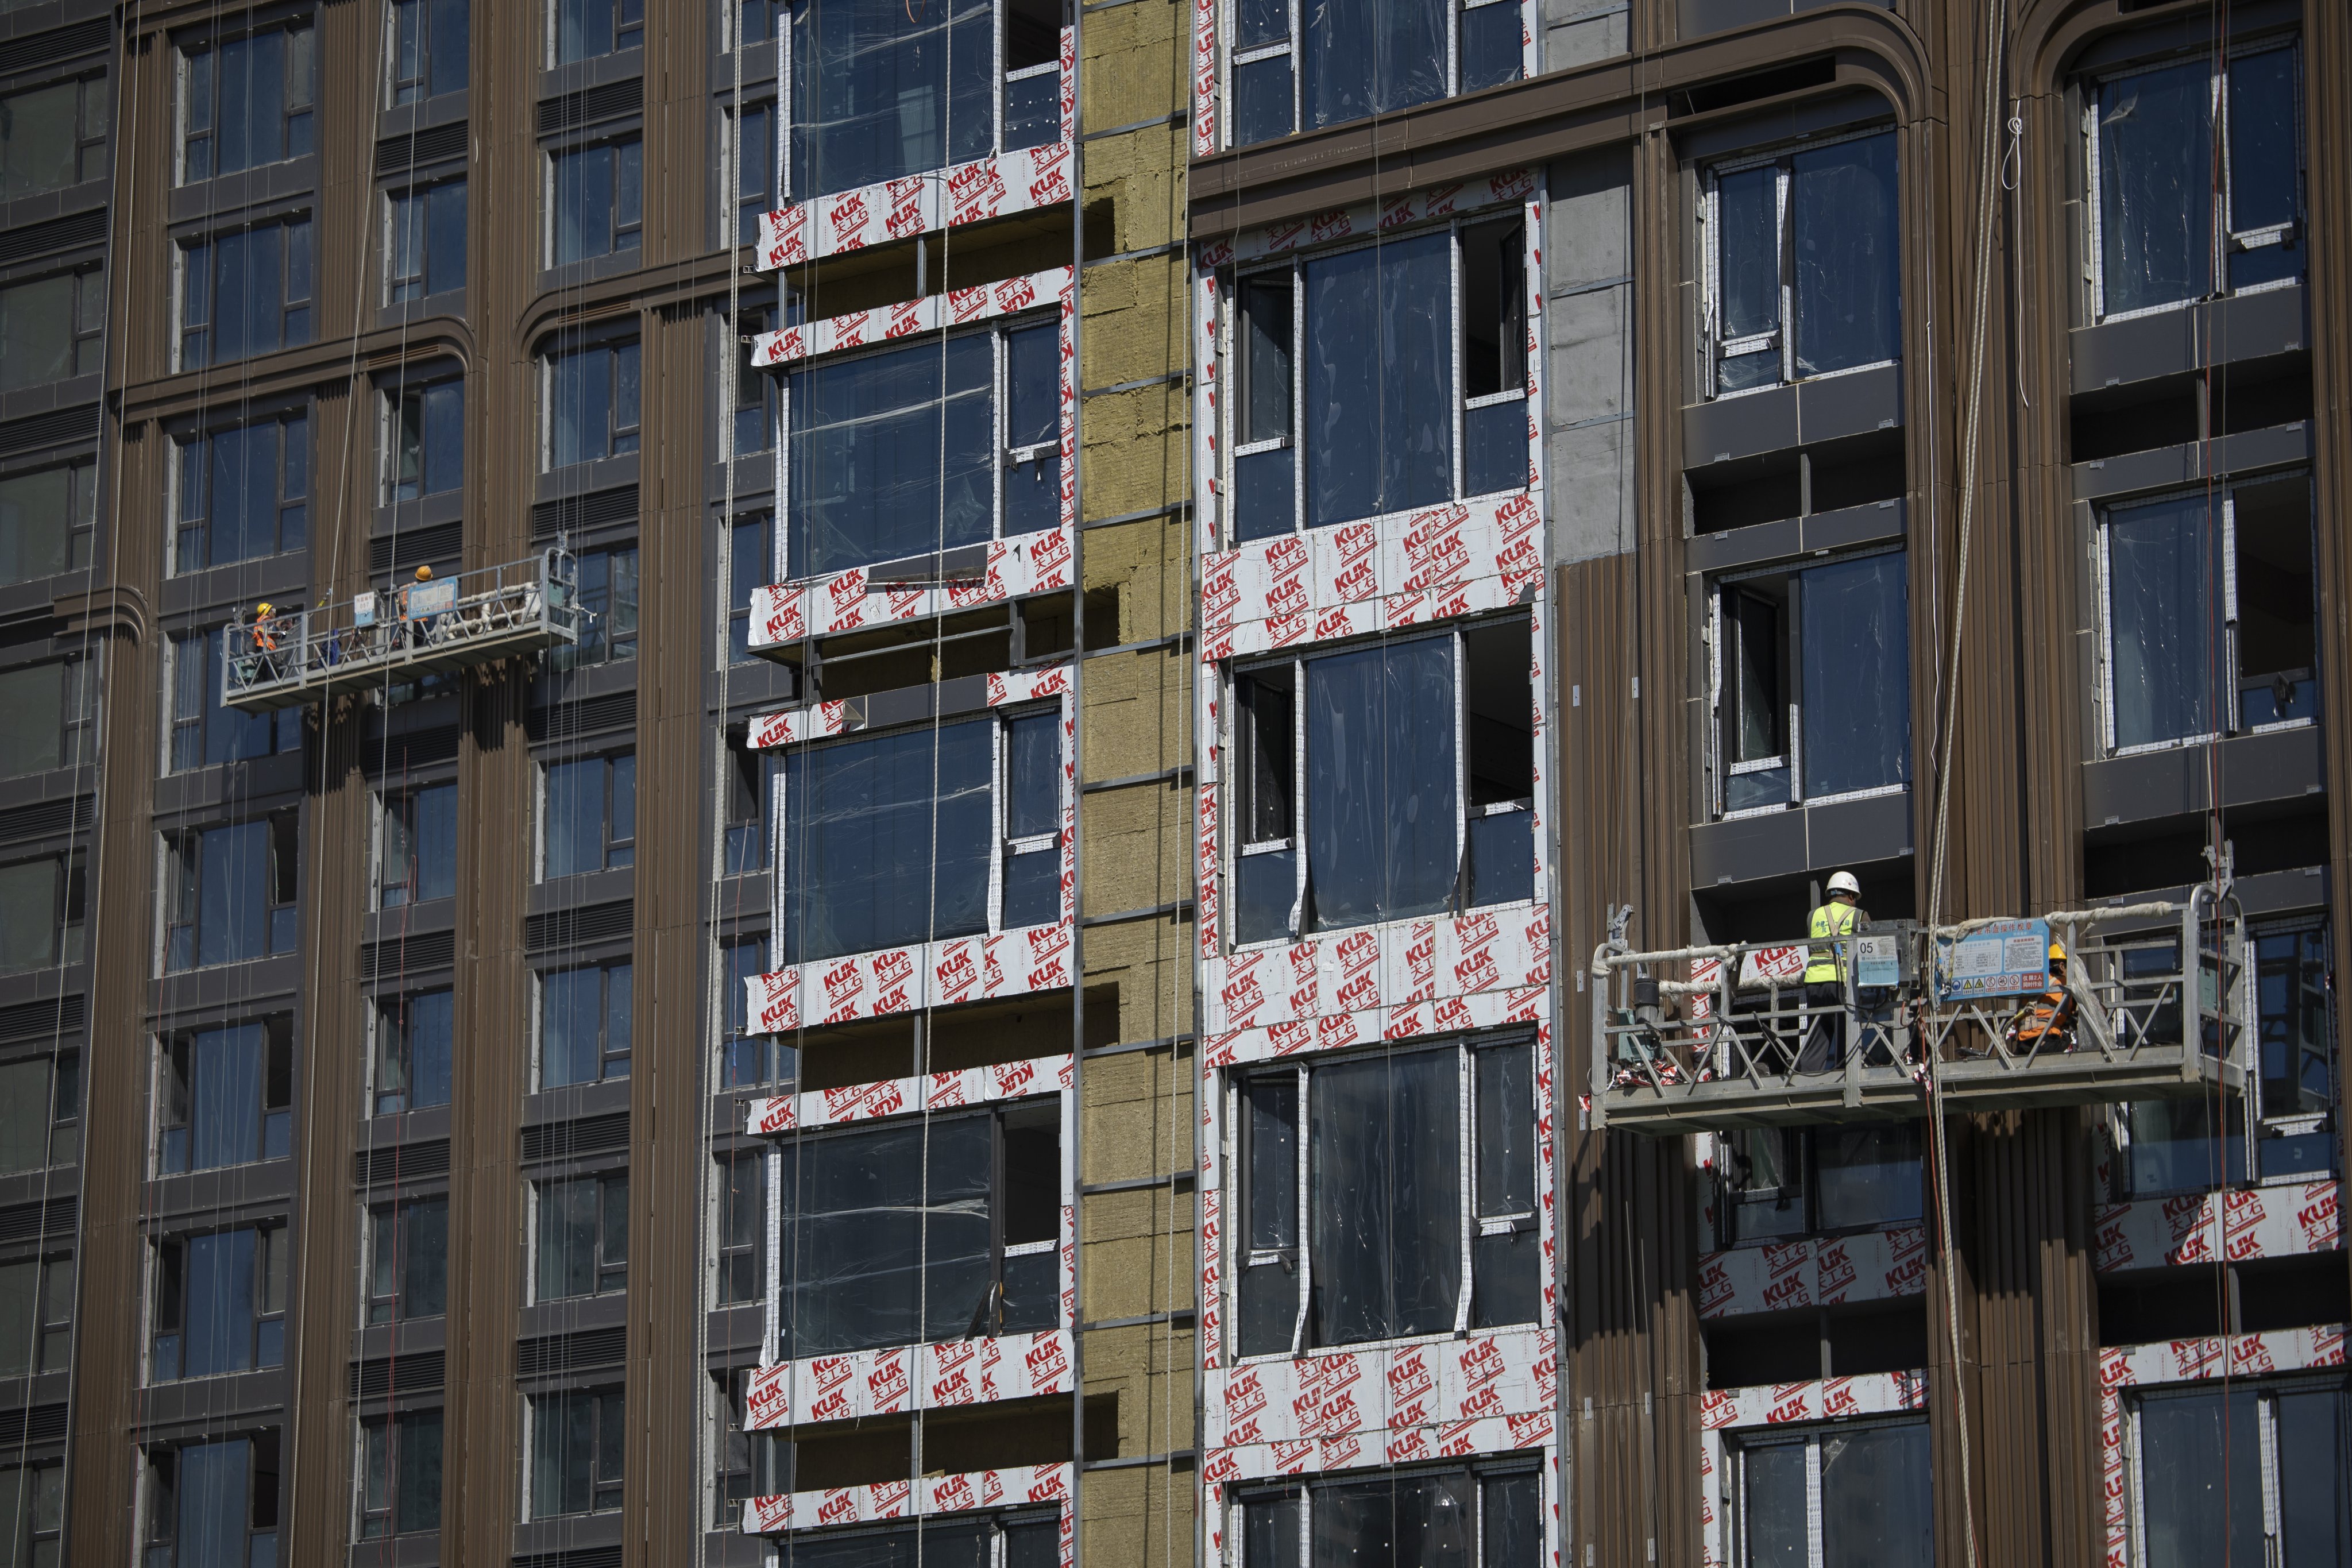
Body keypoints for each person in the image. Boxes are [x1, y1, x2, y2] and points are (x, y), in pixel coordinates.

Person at [1797, 871, 1867, 1071]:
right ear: (1851, 896)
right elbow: (1871, 952)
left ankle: (1809, 1076)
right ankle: (1846, 1075)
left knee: (1818, 1033)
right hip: (1841, 982)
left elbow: (1811, 947)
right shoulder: (1859, 916)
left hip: (1814, 984)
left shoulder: (1813, 916)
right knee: (1848, 1031)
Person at [2004, 940, 2078, 1055]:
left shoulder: (2032, 982)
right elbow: (2073, 1013)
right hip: (2046, 1040)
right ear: (2062, 967)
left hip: (2024, 1043)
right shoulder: (2063, 986)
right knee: (2068, 1039)